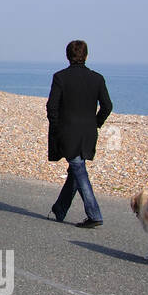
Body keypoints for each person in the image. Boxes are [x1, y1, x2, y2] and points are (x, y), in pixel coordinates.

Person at [47, 40, 113, 228]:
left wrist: (57, 128)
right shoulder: (97, 78)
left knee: (79, 170)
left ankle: (94, 214)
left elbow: (51, 107)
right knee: (76, 169)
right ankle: (59, 209)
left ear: (68, 56)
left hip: (68, 132)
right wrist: (96, 123)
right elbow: (107, 106)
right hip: (89, 133)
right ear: (86, 55)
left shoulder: (60, 77)